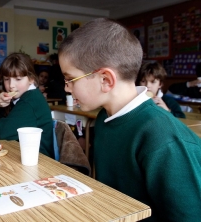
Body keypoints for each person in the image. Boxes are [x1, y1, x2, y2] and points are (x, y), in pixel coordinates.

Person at [58, 18, 201, 222]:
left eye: (70, 79)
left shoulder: (162, 137)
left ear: (106, 80)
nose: (66, 88)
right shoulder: (103, 118)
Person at [0, 53, 55, 159]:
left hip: (40, 161)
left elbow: (1, 133)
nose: (11, 85)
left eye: (18, 79)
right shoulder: (20, 98)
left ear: (31, 79)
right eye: (7, 79)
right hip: (22, 155)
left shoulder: (30, 100)